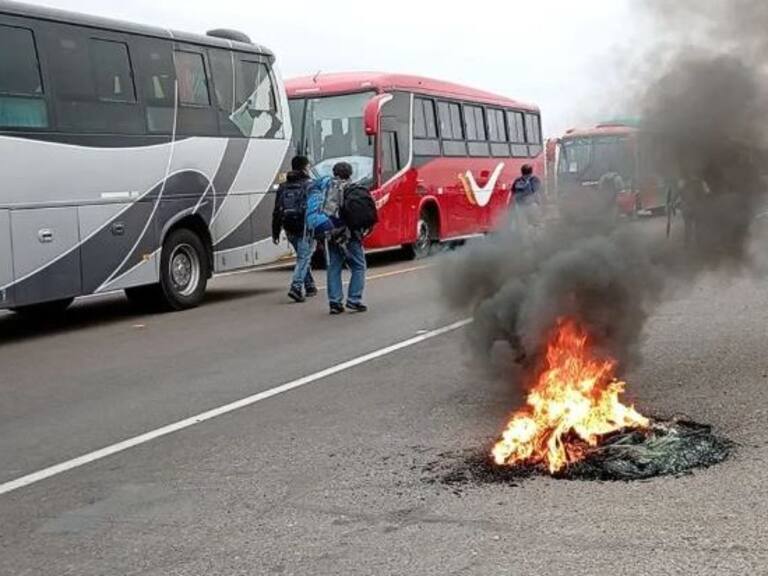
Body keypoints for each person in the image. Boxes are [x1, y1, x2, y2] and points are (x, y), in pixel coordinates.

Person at [306, 162, 368, 315]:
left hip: (330, 231)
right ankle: (354, 300)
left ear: (334, 173)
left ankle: (335, 302)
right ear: (350, 173)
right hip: (349, 233)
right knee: (359, 266)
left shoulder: (324, 186)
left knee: (334, 267)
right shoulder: (352, 188)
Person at [272, 155, 317, 303]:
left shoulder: (283, 185)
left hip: (289, 226)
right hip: (305, 227)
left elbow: (277, 209)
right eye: (308, 166)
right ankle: (296, 287)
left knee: (303, 256)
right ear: (305, 167)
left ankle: (310, 285)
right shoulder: (309, 184)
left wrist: (276, 231)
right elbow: (315, 206)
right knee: (304, 257)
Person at [511, 164, 542, 242]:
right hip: (532, 205)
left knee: (523, 227)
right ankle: (537, 241)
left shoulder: (517, 181)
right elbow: (537, 191)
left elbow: (513, 192)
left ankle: (525, 243)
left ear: (522, 172)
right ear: (531, 171)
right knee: (536, 224)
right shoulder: (534, 179)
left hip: (520, 207)